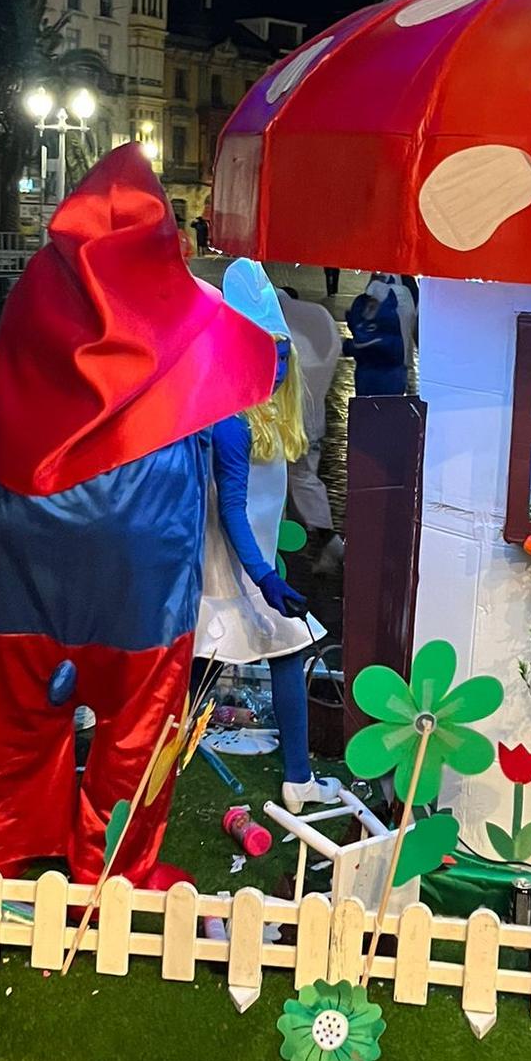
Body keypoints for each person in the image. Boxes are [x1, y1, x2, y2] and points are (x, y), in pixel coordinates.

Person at [0, 146, 276, 888]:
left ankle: (6, 846)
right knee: (138, 712)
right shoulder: (176, 300)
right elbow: (251, 362)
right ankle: (111, 869)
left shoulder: (34, 289)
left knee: (18, 692)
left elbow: (6, 393)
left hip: (31, 524)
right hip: (141, 526)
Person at [197, 261, 337, 814]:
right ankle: (293, 780)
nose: (277, 366)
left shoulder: (270, 418)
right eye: (265, 354)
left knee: (229, 657)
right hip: (226, 564)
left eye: (283, 354)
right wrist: (263, 575)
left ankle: (294, 778)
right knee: (220, 657)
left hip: (252, 562)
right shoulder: (231, 423)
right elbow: (232, 510)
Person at [276, 285, 342, 561]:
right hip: (313, 424)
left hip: (282, 426)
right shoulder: (321, 324)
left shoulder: (282, 337)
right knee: (305, 479)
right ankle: (325, 539)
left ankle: (283, 546)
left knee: (275, 483)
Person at [343, 290, 407, 396]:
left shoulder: (387, 318)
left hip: (382, 379)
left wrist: (349, 345)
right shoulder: (389, 311)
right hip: (376, 378)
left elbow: (360, 343)